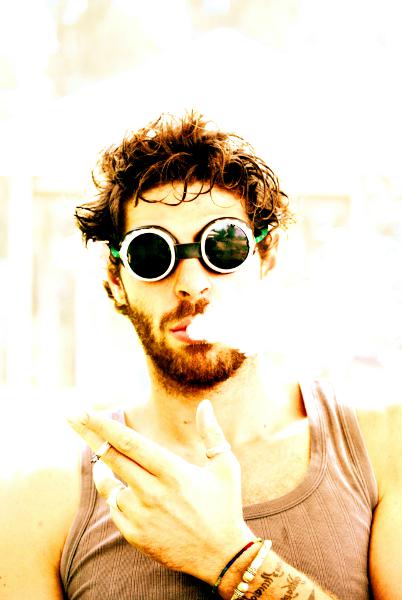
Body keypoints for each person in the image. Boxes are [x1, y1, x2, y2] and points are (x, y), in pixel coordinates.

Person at [1, 111, 401, 600]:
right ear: (115, 278)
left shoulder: (384, 447)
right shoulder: (43, 500)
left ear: (266, 256)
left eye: (223, 247)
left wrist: (228, 557)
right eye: (153, 255)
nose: (191, 285)